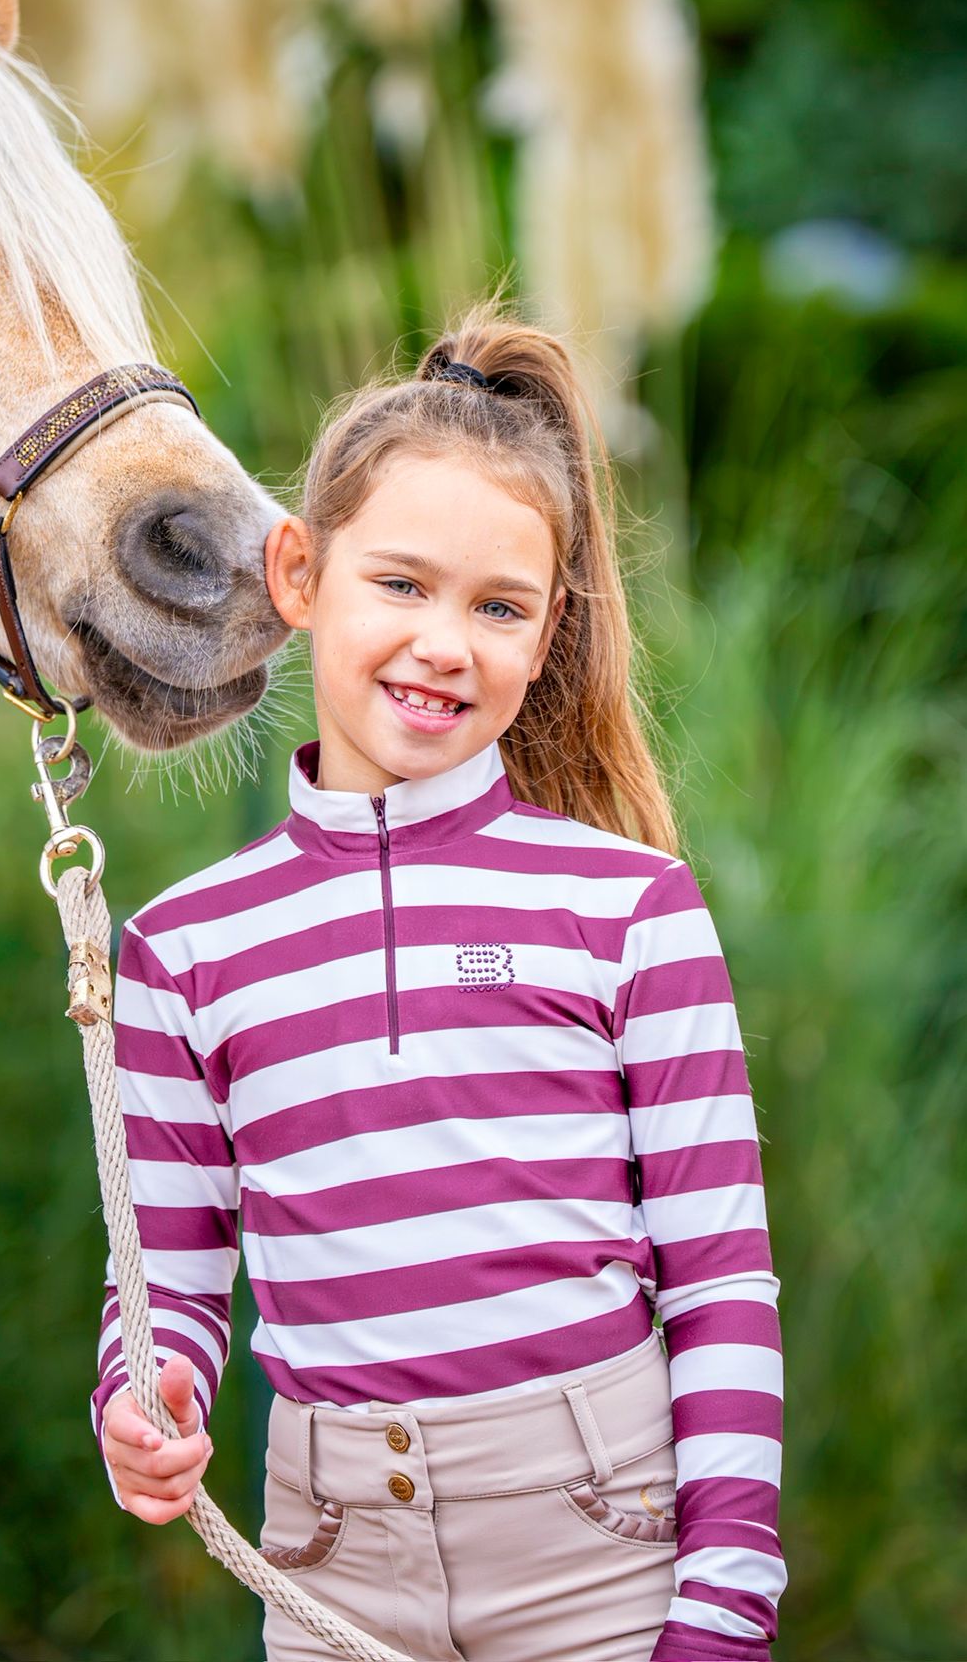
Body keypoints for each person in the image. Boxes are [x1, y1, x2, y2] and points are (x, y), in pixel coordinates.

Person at [92, 300, 785, 1662]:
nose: (442, 644)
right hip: (331, 1564)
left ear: (544, 636)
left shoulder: (629, 909)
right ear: (299, 574)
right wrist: (142, 1392)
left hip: (603, 1555)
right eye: (398, 585)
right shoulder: (181, 949)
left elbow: (718, 1283)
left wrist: (724, 1594)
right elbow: (164, 1272)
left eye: (497, 608)